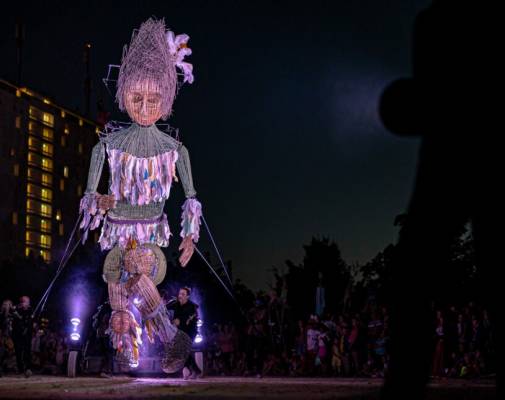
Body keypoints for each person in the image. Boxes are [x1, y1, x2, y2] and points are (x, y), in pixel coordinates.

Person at [166, 287, 201, 379]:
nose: (180, 296)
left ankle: (194, 371)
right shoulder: (175, 303)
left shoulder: (191, 307)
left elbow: (187, 320)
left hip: (190, 332)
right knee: (182, 351)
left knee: (184, 350)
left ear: (187, 296)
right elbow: (165, 308)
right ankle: (192, 370)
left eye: (183, 294)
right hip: (181, 331)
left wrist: (179, 321)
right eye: (180, 293)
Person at [11, 296, 33, 377]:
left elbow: (30, 321)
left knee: (27, 351)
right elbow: (12, 314)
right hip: (17, 334)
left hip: (27, 334)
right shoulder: (16, 309)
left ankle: (28, 368)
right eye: (25, 301)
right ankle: (20, 368)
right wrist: (16, 310)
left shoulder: (30, 310)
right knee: (18, 351)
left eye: (27, 302)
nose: (27, 303)